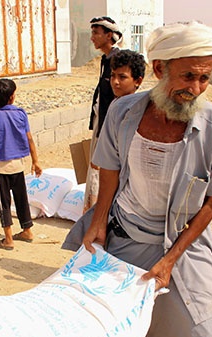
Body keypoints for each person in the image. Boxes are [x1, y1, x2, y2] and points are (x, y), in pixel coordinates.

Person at [63, 21, 212, 337]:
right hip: (125, 230)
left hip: (183, 244)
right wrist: (97, 222)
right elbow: (109, 169)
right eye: (188, 76)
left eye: (205, 77)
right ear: (160, 69)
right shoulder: (124, 111)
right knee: (107, 320)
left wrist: (170, 259)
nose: (196, 88)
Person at [0, 79, 42, 250]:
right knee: (21, 199)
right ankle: (27, 230)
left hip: (0, 168)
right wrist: (35, 161)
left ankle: (8, 239)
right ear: (12, 97)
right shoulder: (20, 113)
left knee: (4, 203)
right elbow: (29, 138)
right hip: (18, 165)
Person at [83, 16, 122, 212]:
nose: (92, 38)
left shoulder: (118, 59)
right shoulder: (106, 59)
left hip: (110, 125)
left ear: (109, 35)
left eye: (95, 33)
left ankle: (100, 211)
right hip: (102, 121)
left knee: (102, 167)